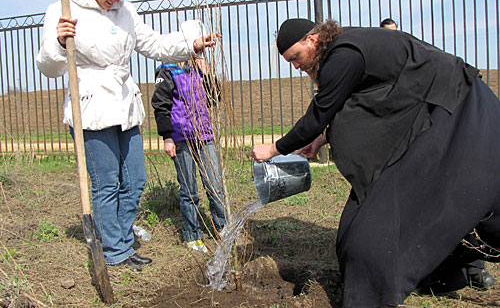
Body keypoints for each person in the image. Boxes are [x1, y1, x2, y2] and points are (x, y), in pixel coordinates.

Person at [252, 18, 500, 307]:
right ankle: (450, 273)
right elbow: (367, 102)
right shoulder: (344, 50)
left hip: (456, 108)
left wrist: (274, 149)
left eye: (295, 57)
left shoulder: (344, 56)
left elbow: (318, 116)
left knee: (450, 195)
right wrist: (322, 140)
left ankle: (453, 269)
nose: (296, 66)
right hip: (443, 105)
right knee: (441, 198)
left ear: (313, 40)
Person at [36, 0, 219, 272]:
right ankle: (115, 250)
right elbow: (49, 67)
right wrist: (58, 40)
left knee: (134, 180)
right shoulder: (63, 10)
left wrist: (192, 45)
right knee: (106, 183)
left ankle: (120, 237)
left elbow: (154, 45)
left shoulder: (126, 10)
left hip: (125, 104)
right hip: (90, 107)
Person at [381, 17, 496, 291]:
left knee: (459, 205)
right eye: (388, 37)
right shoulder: (384, 78)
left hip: (445, 148)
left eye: (399, 36)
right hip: (411, 155)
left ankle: (474, 267)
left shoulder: (427, 67)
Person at [151, 46, 227, 253]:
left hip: (205, 135)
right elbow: (160, 104)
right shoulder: (167, 70)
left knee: (215, 185)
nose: (198, 53)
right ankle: (192, 236)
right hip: (180, 137)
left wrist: (208, 74)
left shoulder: (199, 69)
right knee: (189, 190)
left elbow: (214, 99)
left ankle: (224, 229)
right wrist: (167, 137)